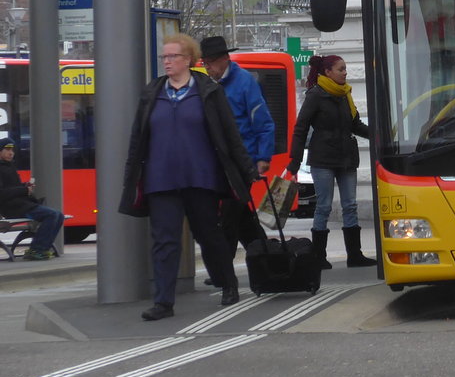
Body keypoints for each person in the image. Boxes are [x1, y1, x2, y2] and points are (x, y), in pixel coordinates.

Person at [119, 34, 260, 321]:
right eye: (164, 57)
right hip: (161, 179)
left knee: (209, 236)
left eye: (173, 57)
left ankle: (227, 283)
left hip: (201, 177)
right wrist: (130, 175)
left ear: (188, 60)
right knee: (164, 241)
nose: (167, 62)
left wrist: (246, 169)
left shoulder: (208, 91)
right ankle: (163, 302)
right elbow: (137, 138)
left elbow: (229, 133)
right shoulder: (152, 93)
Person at [287, 54, 374, 269]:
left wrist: (379, 134)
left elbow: (355, 125)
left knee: (350, 205)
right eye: (341, 69)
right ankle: (319, 257)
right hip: (323, 158)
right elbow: (301, 128)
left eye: (345, 69)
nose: (345, 72)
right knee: (324, 206)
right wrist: (295, 160)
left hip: (346, 157)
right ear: (328, 72)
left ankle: (355, 255)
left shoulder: (345, 94)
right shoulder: (315, 95)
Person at [200, 35, 275, 280]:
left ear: (224, 60)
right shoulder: (210, 84)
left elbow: (263, 122)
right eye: (204, 63)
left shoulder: (244, 82)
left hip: (242, 162)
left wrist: (263, 157)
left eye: (210, 62)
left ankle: (223, 272)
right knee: (243, 220)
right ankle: (268, 260)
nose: (206, 67)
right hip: (221, 162)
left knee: (229, 219)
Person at [0, 139, 65, 261]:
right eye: (7, 150)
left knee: (59, 215)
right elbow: (2, 193)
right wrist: (24, 190)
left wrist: (25, 187)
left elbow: (13, 188)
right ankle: (37, 250)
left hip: (20, 204)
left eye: (12, 150)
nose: (11, 153)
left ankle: (41, 249)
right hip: (12, 208)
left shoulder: (9, 166)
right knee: (52, 215)